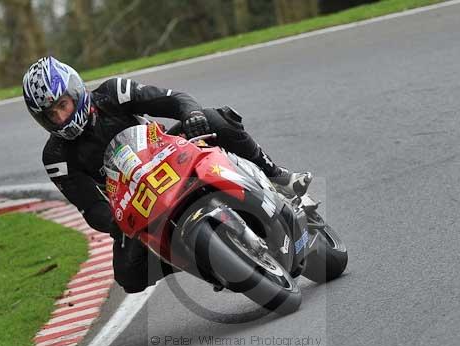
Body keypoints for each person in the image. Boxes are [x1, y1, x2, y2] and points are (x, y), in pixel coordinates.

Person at [22, 56, 312, 293]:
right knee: (129, 277)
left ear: (75, 92)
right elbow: (90, 207)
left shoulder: (113, 93)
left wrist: (191, 114)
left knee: (214, 118)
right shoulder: (56, 157)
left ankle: (276, 176)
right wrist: (117, 223)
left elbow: (174, 99)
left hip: (169, 155)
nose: (60, 118)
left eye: (62, 105)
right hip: (138, 200)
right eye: (51, 115)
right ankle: (203, 257)